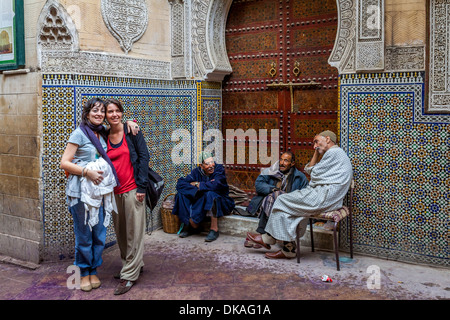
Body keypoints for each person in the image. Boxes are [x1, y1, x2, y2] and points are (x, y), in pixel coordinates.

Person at [247, 130, 353, 259]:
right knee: (289, 209)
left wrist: (316, 164)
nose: (314, 146)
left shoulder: (334, 153)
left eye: (316, 142)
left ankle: (268, 238)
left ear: (328, 139)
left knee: (281, 199)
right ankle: (288, 250)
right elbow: (311, 170)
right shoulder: (335, 154)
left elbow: (313, 173)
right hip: (328, 197)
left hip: (324, 197)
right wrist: (317, 150)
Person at [60, 97, 120, 292]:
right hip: (81, 194)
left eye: (102, 111)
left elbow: (120, 126)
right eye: (95, 110)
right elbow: (65, 163)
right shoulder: (79, 133)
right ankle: (83, 272)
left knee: (99, 235)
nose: (99, 114)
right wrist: (87, 172)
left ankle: (94, 269)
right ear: (87, 114)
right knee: (84, 236)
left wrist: (131, 124)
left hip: (99, 193)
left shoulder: (102, 133)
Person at [104, 98, 149, 295]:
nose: (114, 114)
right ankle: (130, 265)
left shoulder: (132, 131)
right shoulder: (103, 134)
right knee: (121, 231)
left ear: (122, 112)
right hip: (114, 192)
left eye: (117, 111)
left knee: (134, 232)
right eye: (109, 112)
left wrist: (142, 187)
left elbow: (144, 156)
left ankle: (129, 275)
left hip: (133, 190)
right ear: (105, 116)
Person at [244, 151, 309, 248]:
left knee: (277, 197)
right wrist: (273, 190)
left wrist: (283, 196)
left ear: (292, 163)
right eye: (281, 160)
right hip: (268, 202)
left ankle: (265, 237)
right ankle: (268, 238)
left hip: (288, 206)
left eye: (286, 161)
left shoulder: (300, 177)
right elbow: (259, 185)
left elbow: (304, 195)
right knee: (272, 198)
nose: (282, 163)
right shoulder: (271, 171)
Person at [172, 152, 235, 242]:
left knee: (210, 194)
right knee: (181, 194)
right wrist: (195, 190)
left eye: (212, 162)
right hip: (202, 202)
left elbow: (216, 184)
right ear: (201, 166)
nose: (211, 166)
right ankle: (190, 223)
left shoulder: (219, 169)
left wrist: (198, 184)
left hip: (222, 202)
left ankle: (214, 229)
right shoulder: (196, 172)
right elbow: (181, 184)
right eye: (207, 164)